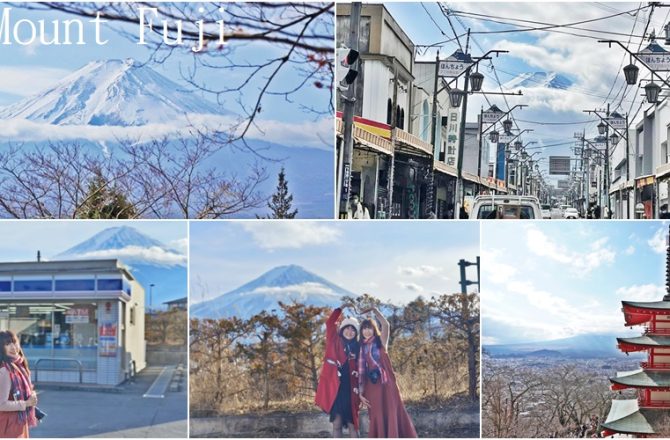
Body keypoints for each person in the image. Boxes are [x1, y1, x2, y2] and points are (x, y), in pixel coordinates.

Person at [358, 307, 417, 438]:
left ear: (374, 330)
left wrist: (374, 310)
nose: (367, 331)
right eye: (364, 328)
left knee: (392, 412)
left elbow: (386, 324)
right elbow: (361, 373)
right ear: (361, 331)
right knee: (377, 415)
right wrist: (361, 393)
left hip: (387, 384)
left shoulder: (381, 343)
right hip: (372, 387)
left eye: (370, 328)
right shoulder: (361, 348)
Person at [315, 305, 361, 437]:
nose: (350, 331)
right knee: (337, 424)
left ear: (356, 333)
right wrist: (340, 309)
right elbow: (330, 323)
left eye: (353, 329)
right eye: (347, 328)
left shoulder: (358, 347)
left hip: (351, 390)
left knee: (353, 425)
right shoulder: (333, 341)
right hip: (335, 389)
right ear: (342, 330)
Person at [0, 331, 38, 438]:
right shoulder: (5, 370)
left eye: (14, 342)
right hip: (8, 426)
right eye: (7, 344)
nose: (13, 347)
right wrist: (26, 403)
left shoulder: (19, 366)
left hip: (17, 422)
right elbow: (1, 404)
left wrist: (31, 394)